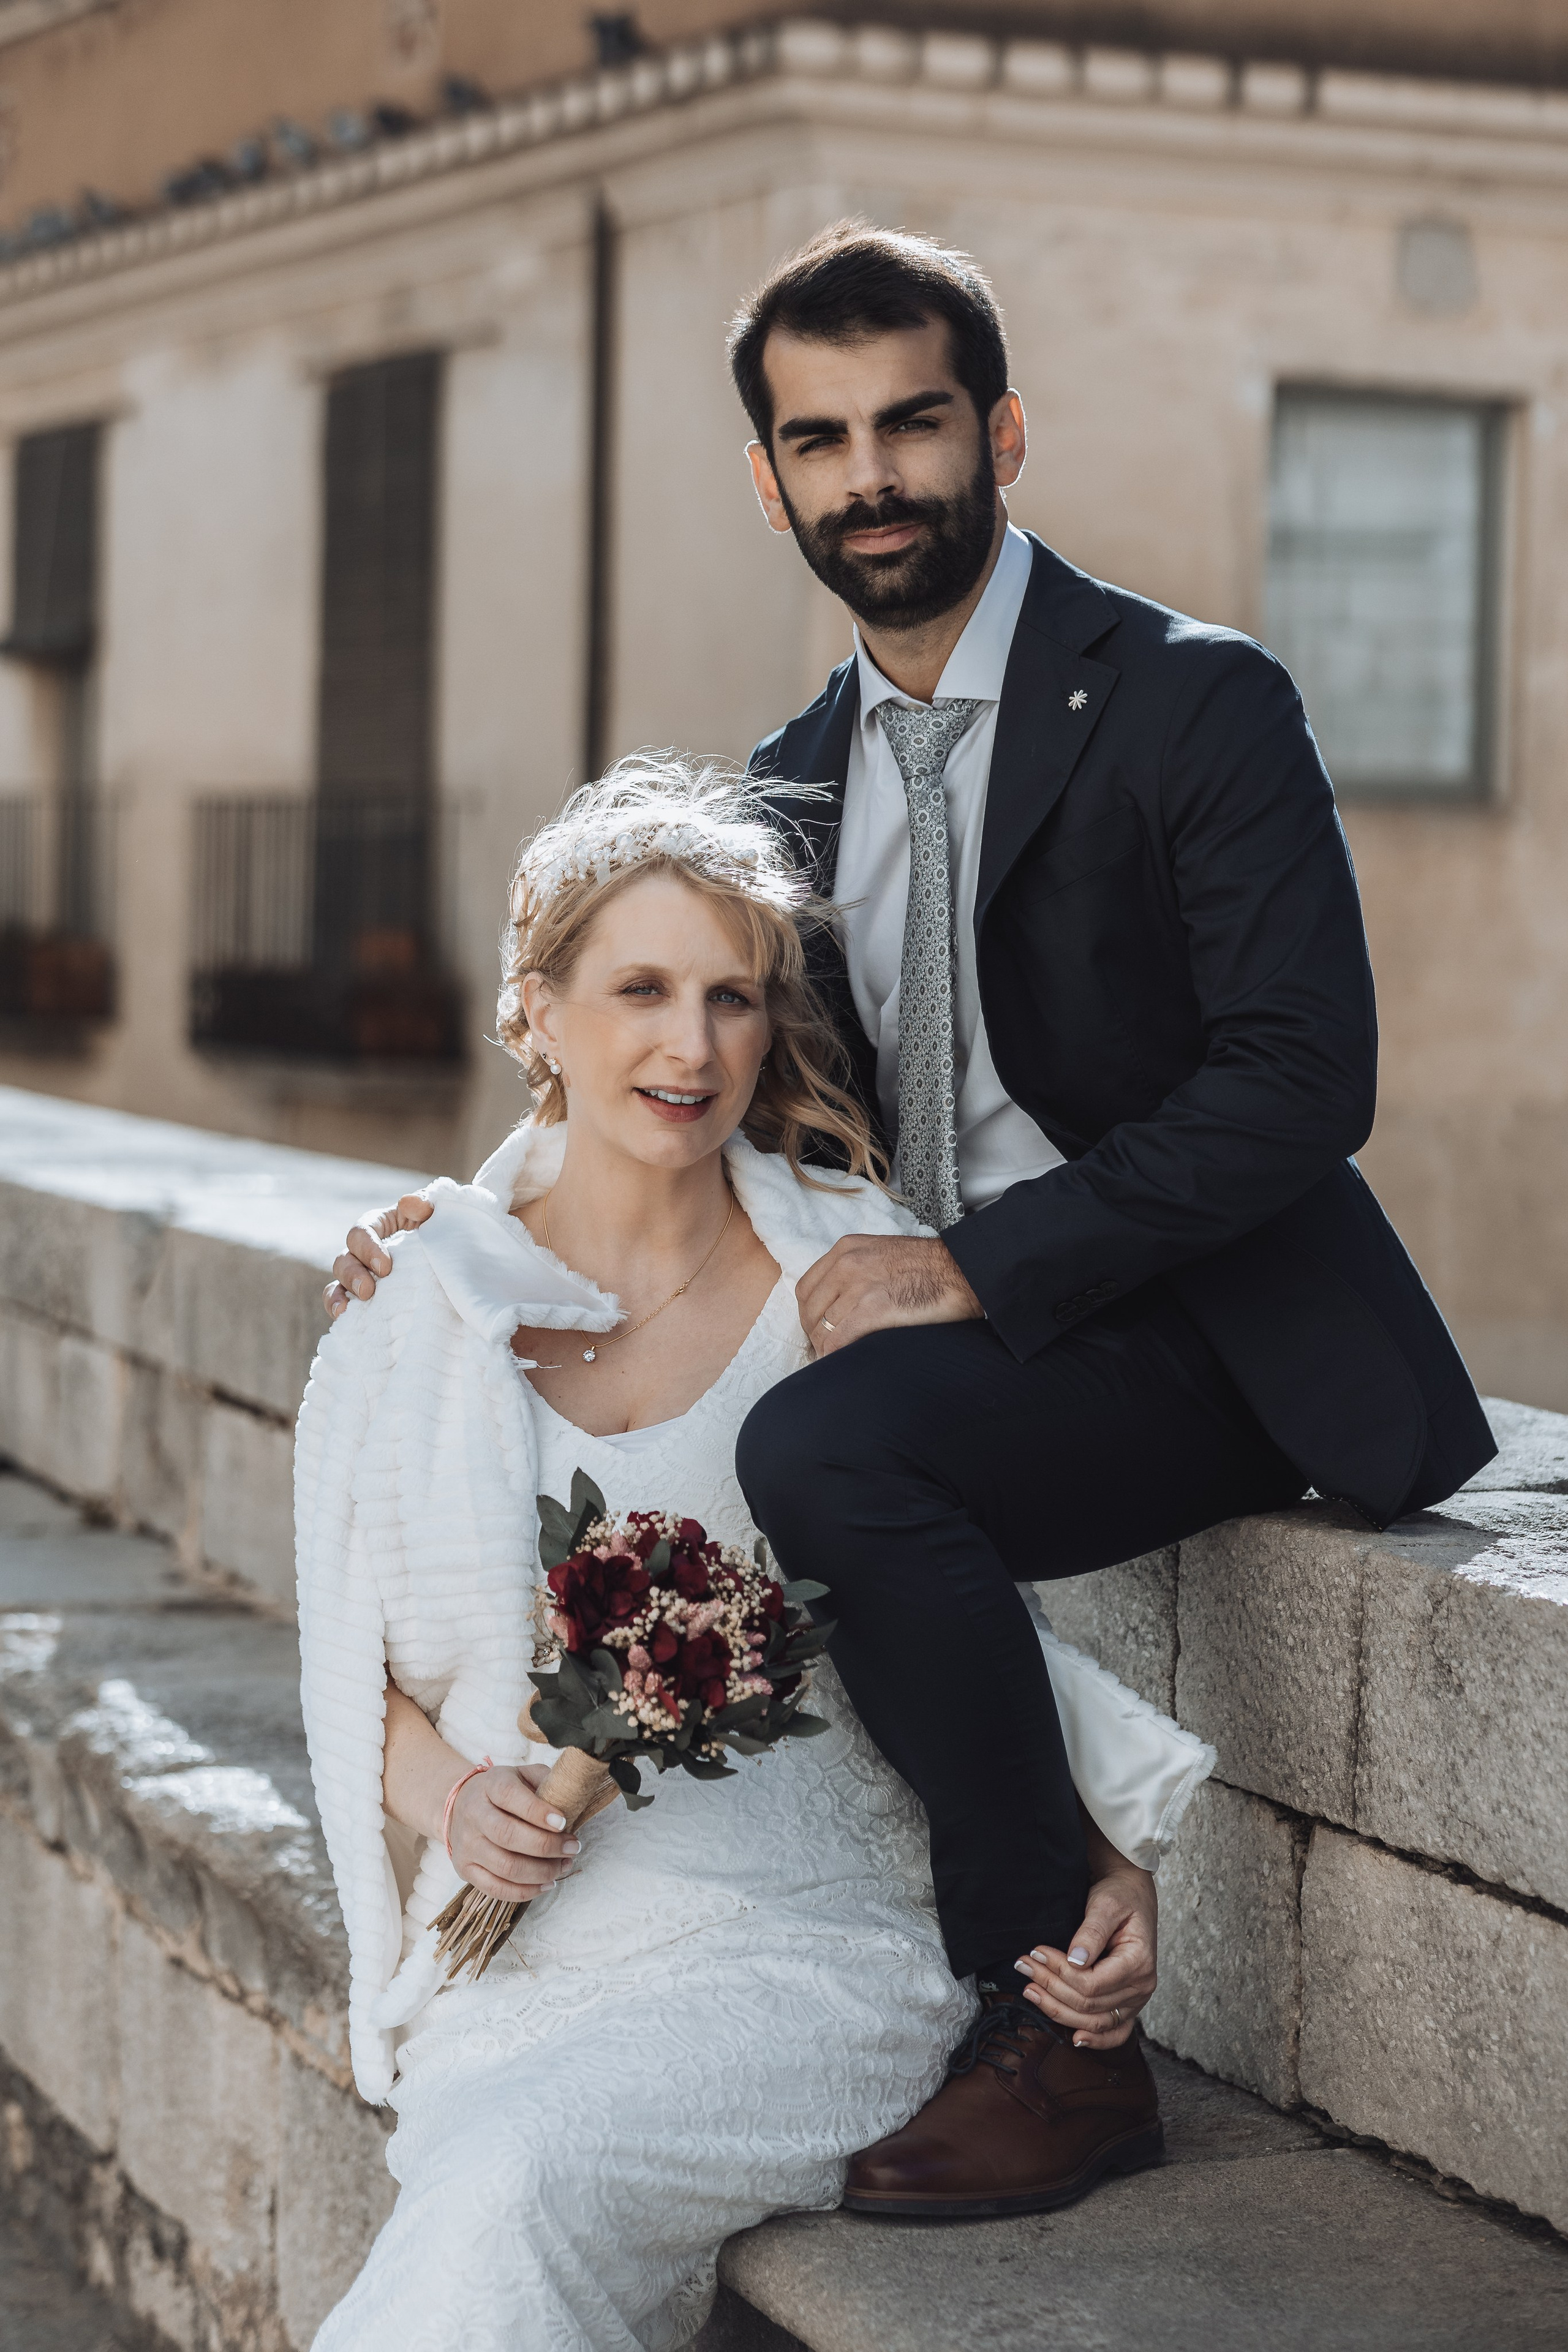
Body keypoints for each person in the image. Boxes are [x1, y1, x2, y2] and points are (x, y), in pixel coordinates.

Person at [328, 224, 1496, 2222]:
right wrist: (466, 1209)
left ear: (1002, 433)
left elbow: (1303, 1082)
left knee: (813, 1449)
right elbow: (683, 1075)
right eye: (822, 439)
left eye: (913, 426)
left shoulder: (1196, 702)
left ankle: (1058, 2032)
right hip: (958, 1363)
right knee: (748, 1446)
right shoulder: (787, 789)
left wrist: (977, 1266)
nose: (871, 475)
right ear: (769, 478)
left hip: (1204, 1335)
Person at [299, 761, 1208, 2350]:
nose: (692, 1044)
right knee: (500, 2161)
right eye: (640, 988)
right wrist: (455, 1797)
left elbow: (947, 1609)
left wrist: (1095, 1860)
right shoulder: (423, 1306)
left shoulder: (846, 1280)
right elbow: (342, 1660)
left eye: (732, 997)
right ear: (537, 1012)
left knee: (519, 2178)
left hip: (816, 1945)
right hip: (527, 1956)